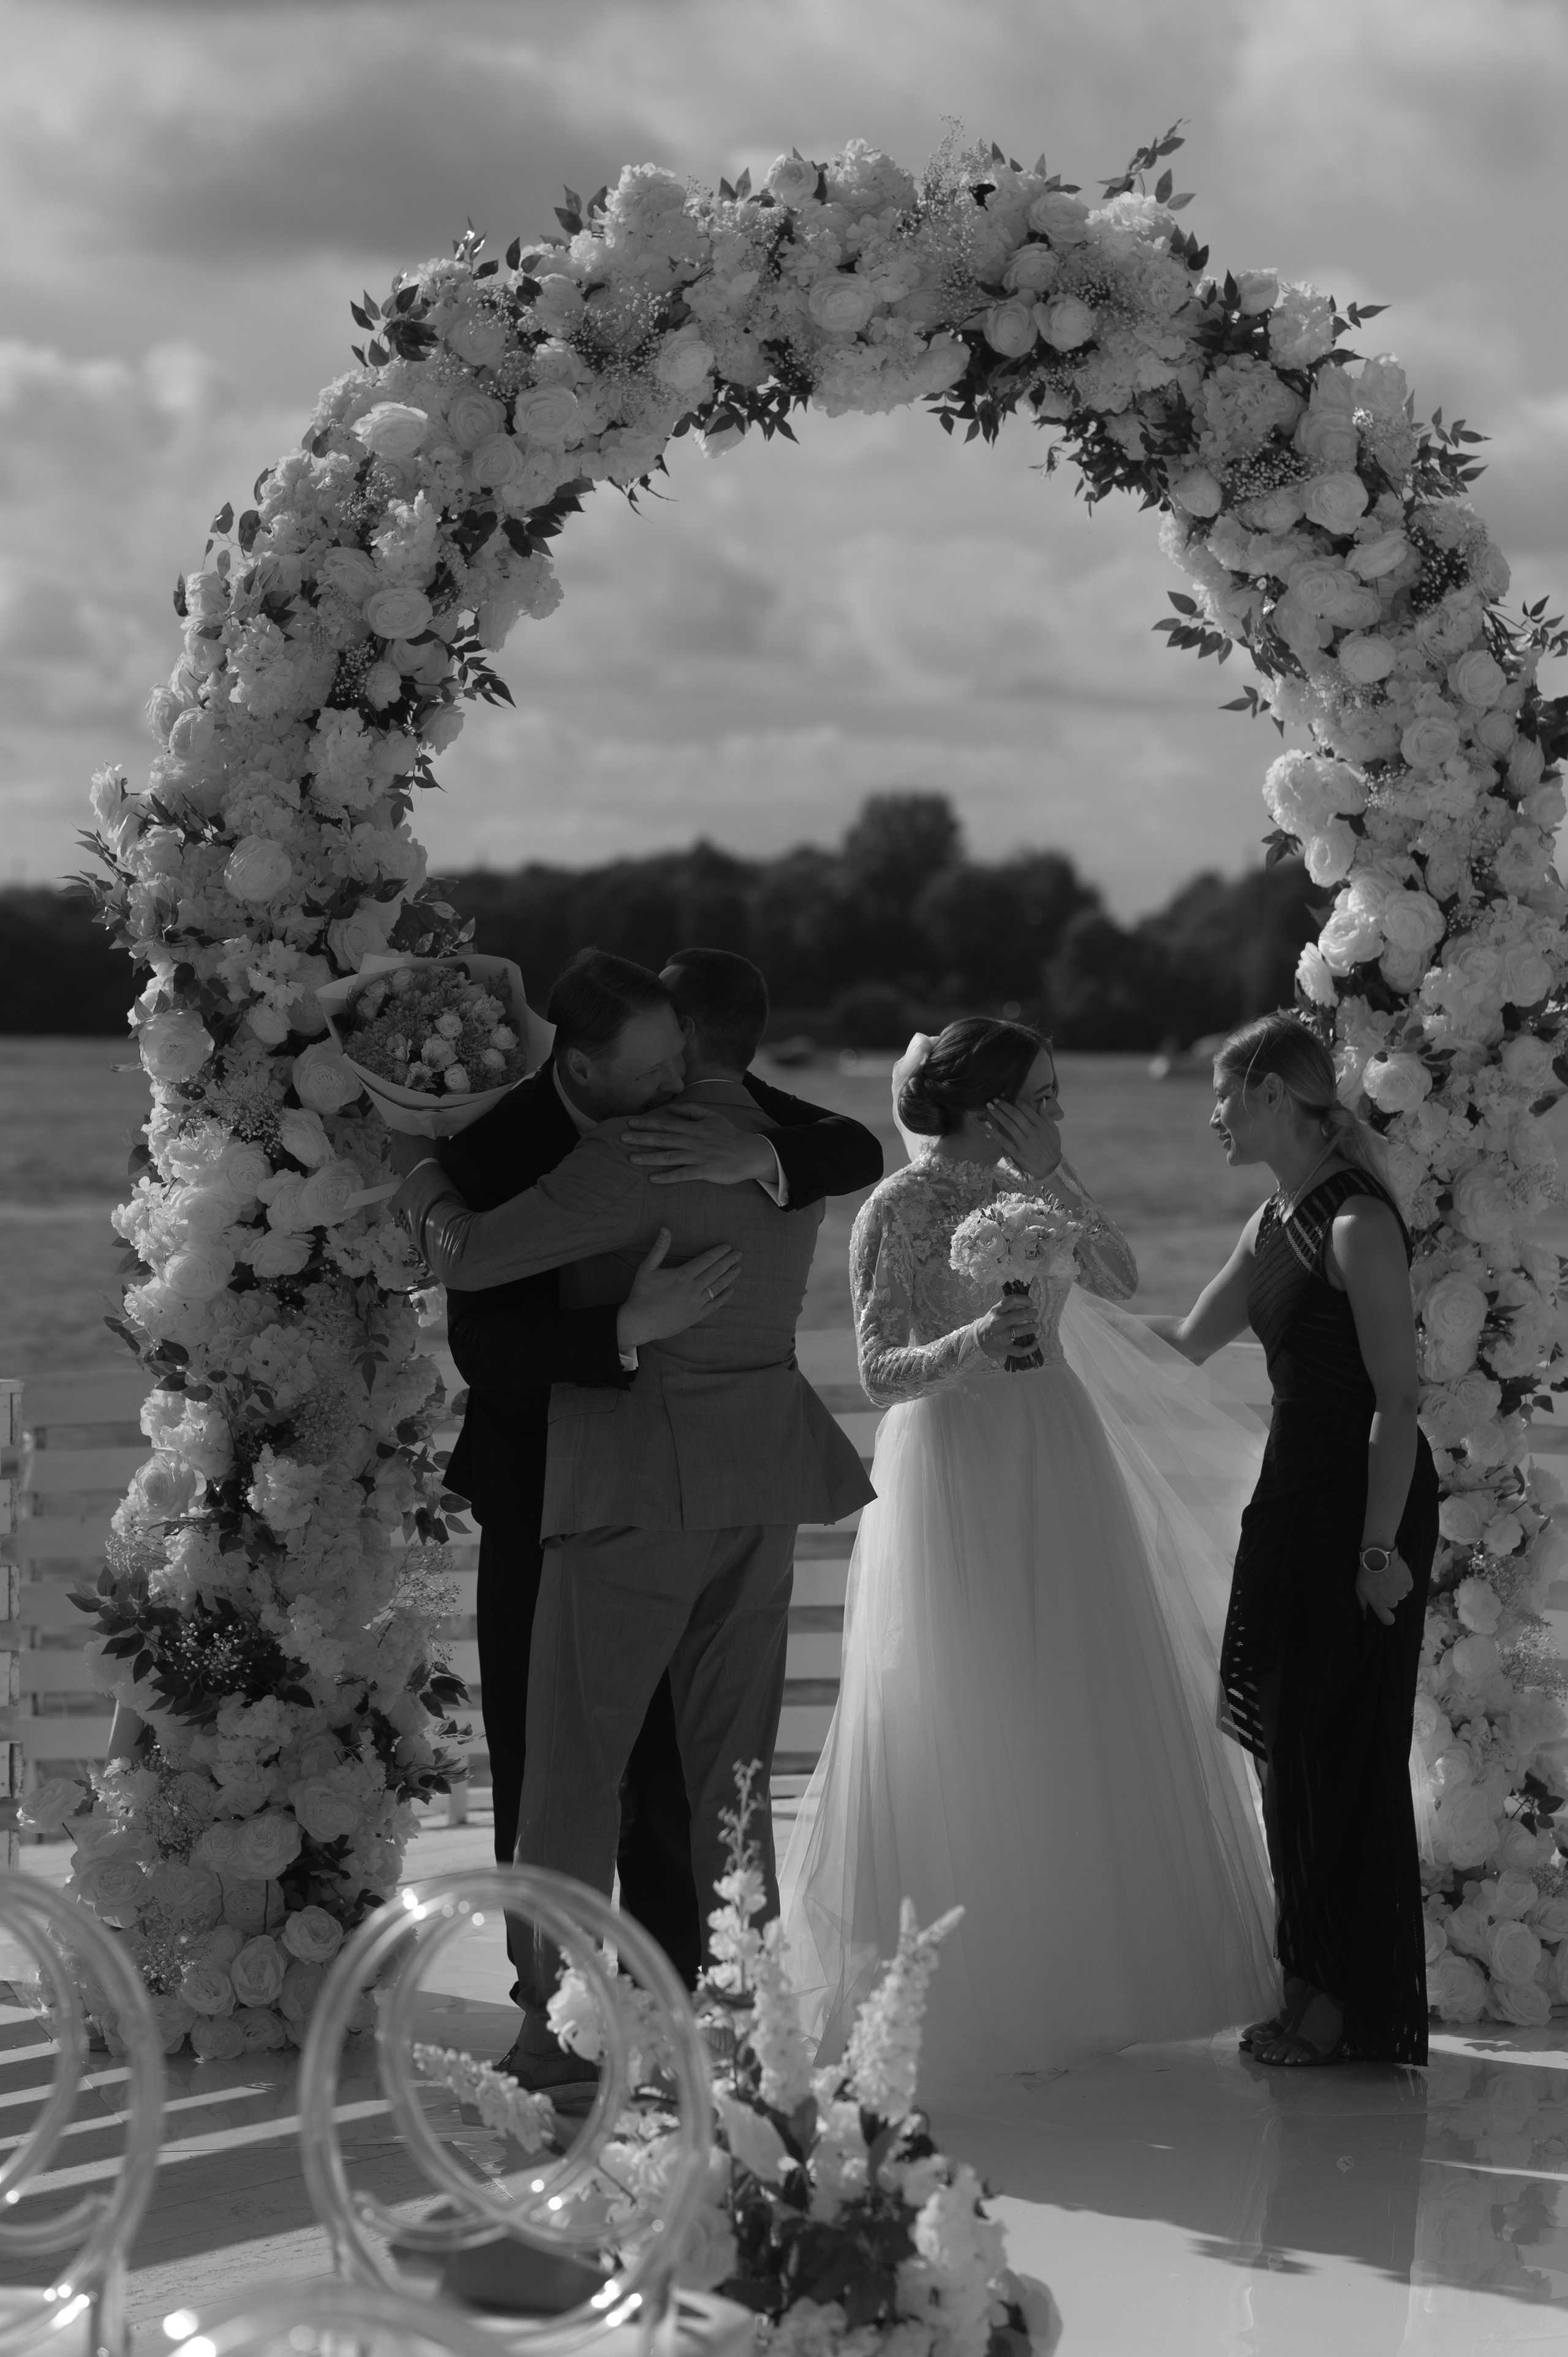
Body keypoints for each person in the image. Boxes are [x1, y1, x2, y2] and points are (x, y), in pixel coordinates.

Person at [392, 949, 876, 2091]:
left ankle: (555, 2034)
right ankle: (738, 2018)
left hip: (632, 1493)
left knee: (570, 1771)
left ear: (685, 1048)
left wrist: (414, 1170)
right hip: (759, 1485)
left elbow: (469, 1255)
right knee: (736, 1775)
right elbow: (853, 1142)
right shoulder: (785, 1163)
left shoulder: (631, 1152)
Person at [780, 1018, 1276, 2096]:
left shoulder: (1039, 1192)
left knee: (1073, 1696)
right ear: (986, 1104)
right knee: (966, 1700)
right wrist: (970, 1346)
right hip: (954, 1461)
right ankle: (968, 1987)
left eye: (1054, 1099)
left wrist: (1059, 1175)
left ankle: (1087, 1980)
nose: (1058, 1113)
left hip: (1056, 1449)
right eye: (1044, 1099)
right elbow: (876, 1369)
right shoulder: (896, 1208)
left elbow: (1120, 1273)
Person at [1145, 1013, 1437, 2069]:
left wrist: (1376, 1550)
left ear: (1274, 1093)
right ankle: (1310, 1983)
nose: (1212, 1116)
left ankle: (1342, 2008)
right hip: (1288, 1507)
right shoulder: (1272, 1220)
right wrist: (1050, 1298)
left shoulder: (1356, 1222)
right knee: (1290, 1754)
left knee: (1342, 1755)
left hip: (1365, 1515)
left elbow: (1398, 1400)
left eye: (1224, 1096)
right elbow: (1184, 1345)